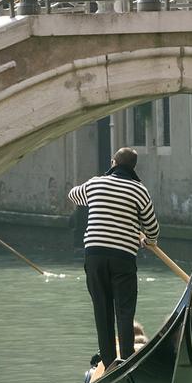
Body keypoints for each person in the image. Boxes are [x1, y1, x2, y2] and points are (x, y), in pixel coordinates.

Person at [67, 147, 159, 369]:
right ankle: (126, 359)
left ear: (113, 163)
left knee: (102, 308)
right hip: (123, 258)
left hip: (95, 255)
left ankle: (109, 363)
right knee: (125, 311)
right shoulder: (140, 190)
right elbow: (152, 227)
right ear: (133, 167)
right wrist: (149, 241)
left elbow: (73, 195)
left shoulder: (96, 183)